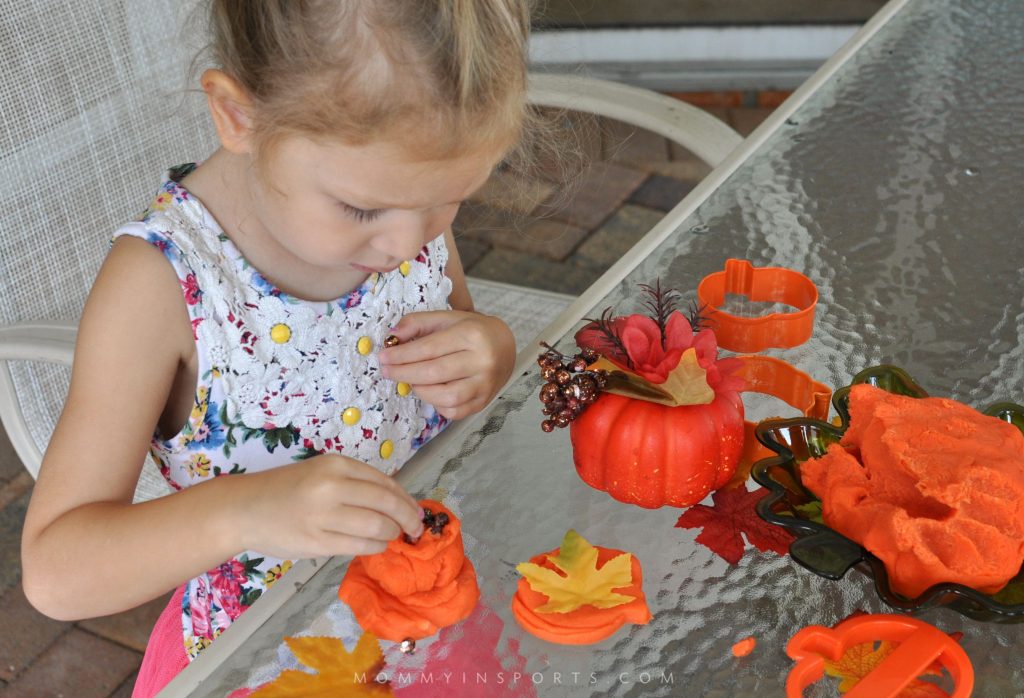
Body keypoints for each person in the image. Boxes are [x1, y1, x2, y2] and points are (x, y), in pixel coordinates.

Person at [20, 1, 528, 694]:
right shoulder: (161, 285)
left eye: (450, 200)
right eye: (361, 209)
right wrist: (252, 509)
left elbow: (454, 334)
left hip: (428, 621)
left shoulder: (400, 205)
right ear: (239, 116)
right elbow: (57, 572)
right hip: (266, 663)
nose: (409, 245)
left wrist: (486, 350)